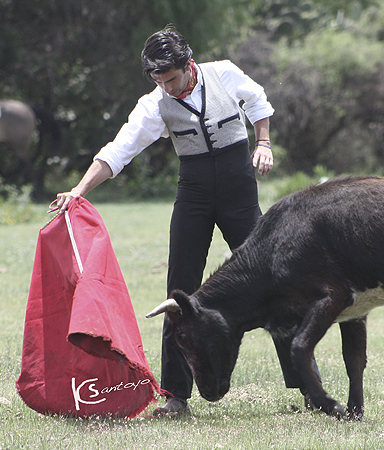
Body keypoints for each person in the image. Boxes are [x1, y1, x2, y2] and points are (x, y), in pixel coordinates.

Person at [52, 26, 316, 416]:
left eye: (172, 78)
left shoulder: (223, 72)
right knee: (179, 290)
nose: (168, 88)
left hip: (239, 189)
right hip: (193, 191)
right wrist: (79, 189)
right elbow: (119, 149)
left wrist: (263, 143)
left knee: (272, 279)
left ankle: (308, 386)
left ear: (188, 64)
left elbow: (258, 100)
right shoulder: (155, 103)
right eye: (159, 81)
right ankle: (176, 395)